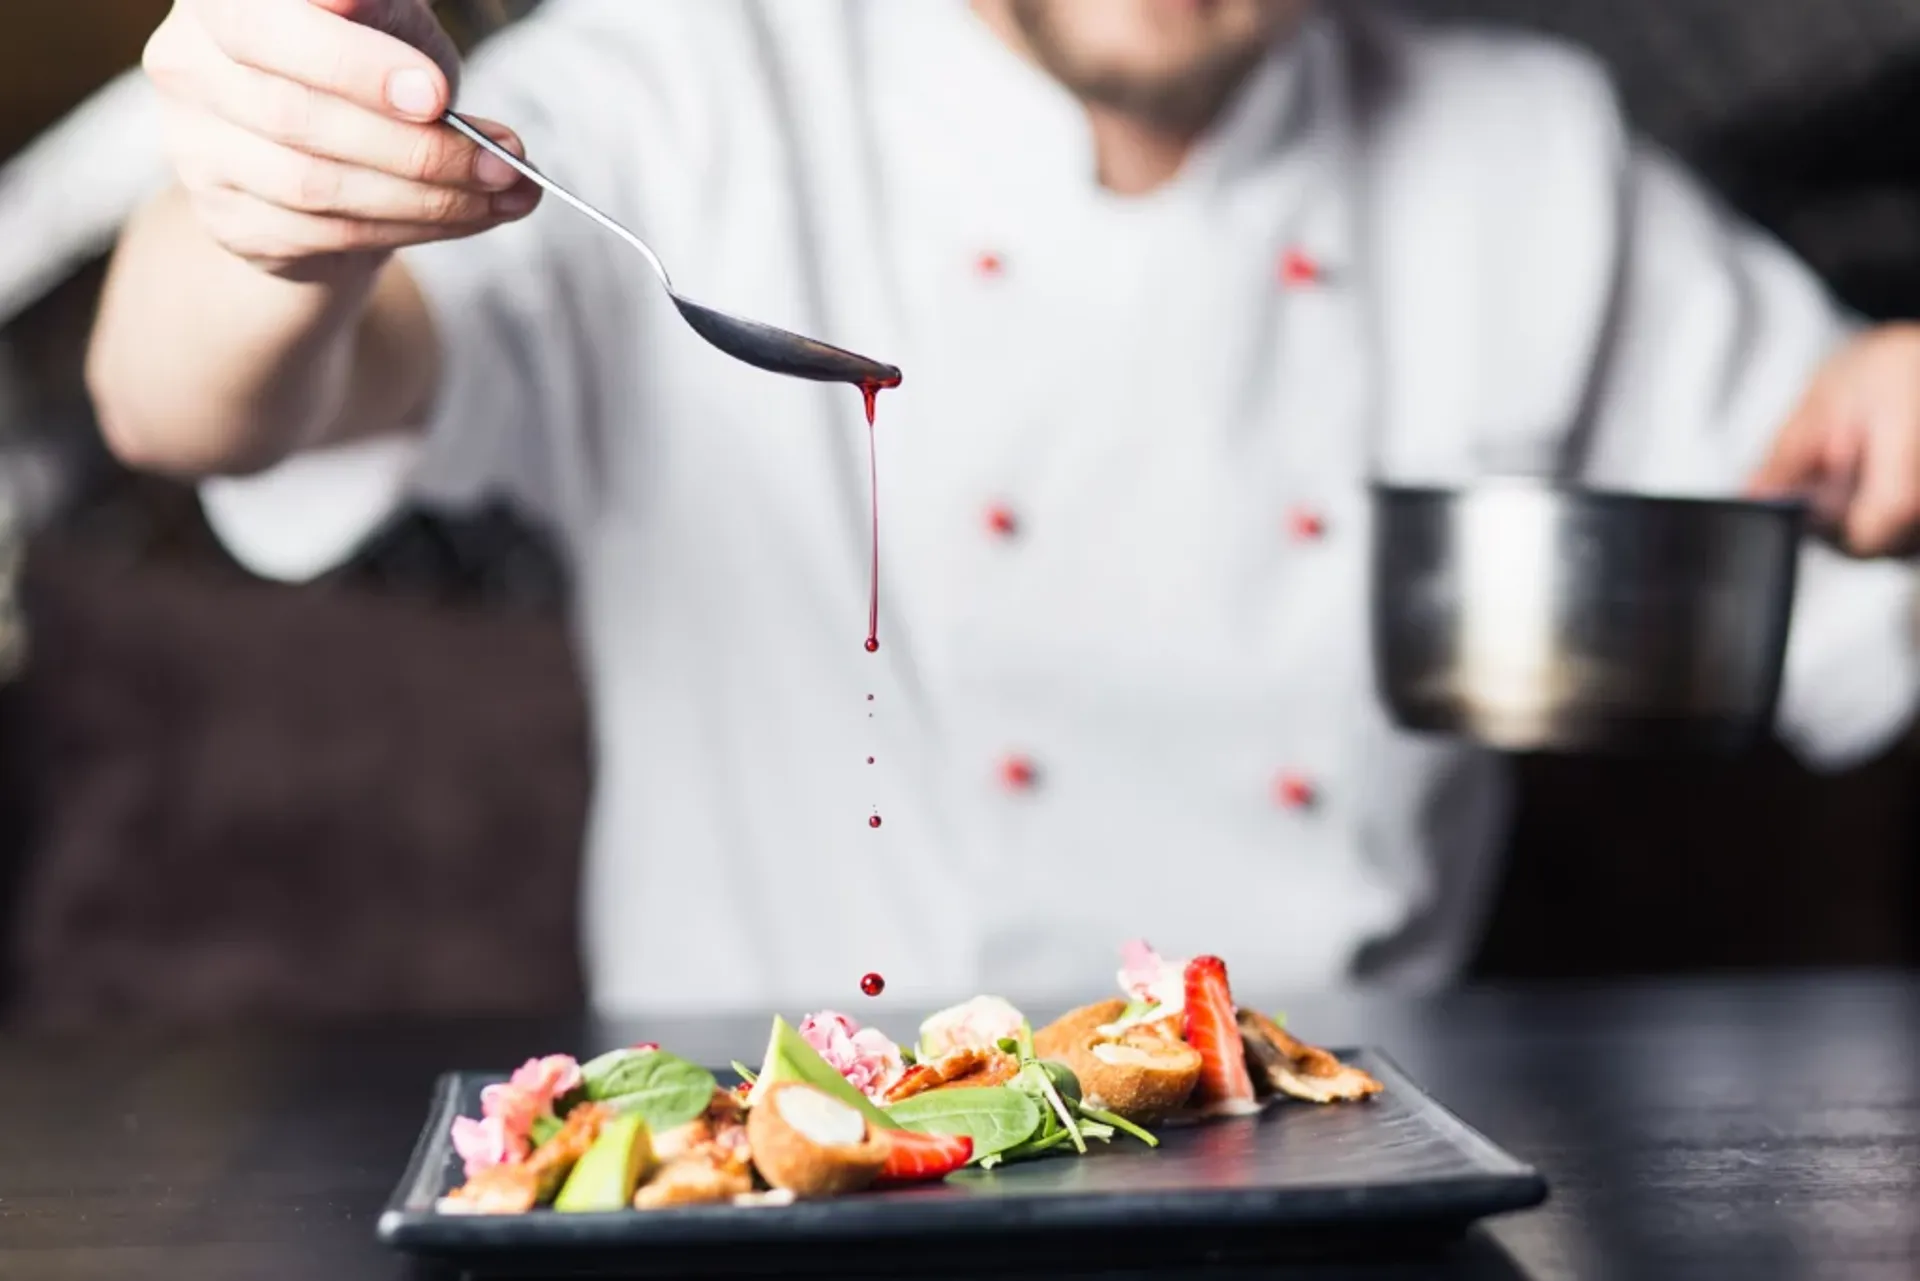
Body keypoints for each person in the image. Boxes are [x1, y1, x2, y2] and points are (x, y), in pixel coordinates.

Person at [87, 0, 1920, 1016]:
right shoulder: (687, 86)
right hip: (772, 1171)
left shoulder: (1527, 158)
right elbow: (195, 405)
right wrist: (268, 214)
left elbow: (1863, 577)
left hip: (1356, 1170)